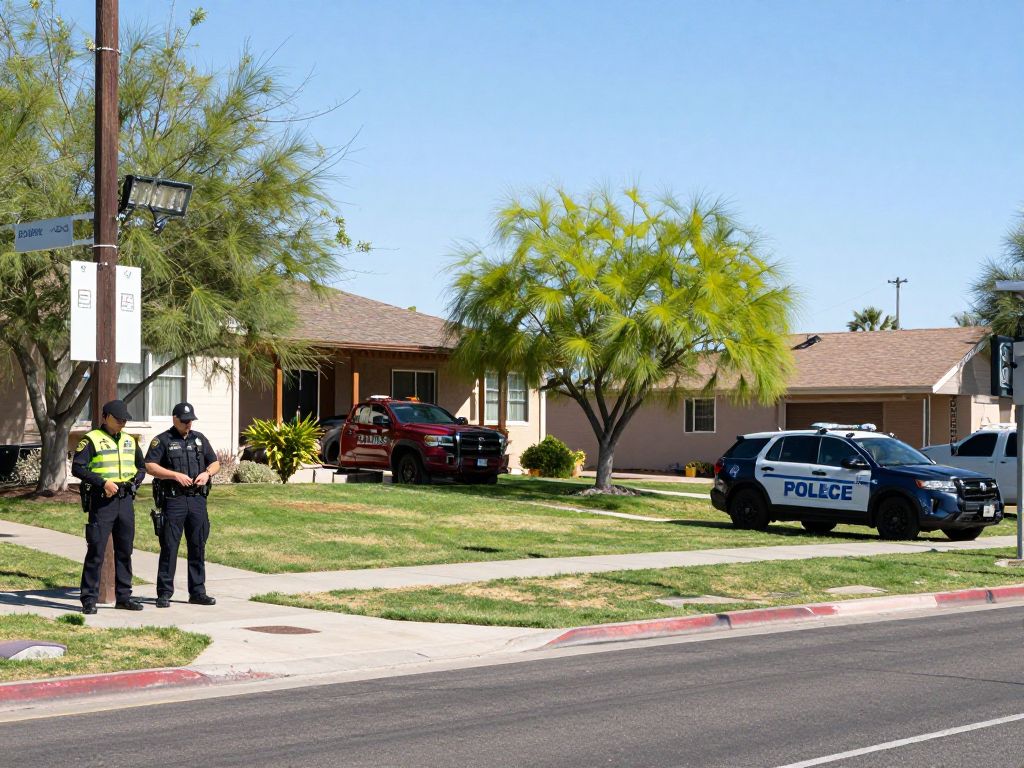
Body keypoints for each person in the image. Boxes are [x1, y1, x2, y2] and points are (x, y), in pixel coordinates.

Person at [72, 399, 146, 614]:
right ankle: (89, 599)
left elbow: (141, 467)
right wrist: (103, 483)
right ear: (105, 417)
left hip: (125, 501)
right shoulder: (91, 439)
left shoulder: (129, 440)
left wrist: (135, 482)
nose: (123, 423)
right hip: (103, 501)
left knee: (125, 550)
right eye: (118, 419)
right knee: (96, 550)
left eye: (125, 420)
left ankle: (124, 597)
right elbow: (78, 468)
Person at [145, 402, 220, 607]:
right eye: (185, 421)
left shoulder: (199, 439)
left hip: (197, 500)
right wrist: (174, 475)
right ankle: (164, 593)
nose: (188, 424)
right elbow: (150, 466)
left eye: (191, 420)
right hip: (174, 500)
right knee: (169, 546)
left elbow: (215, 462)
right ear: (175, 419)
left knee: (198, 545)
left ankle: (198, 592)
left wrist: (207, 473)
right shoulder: (162, 440)